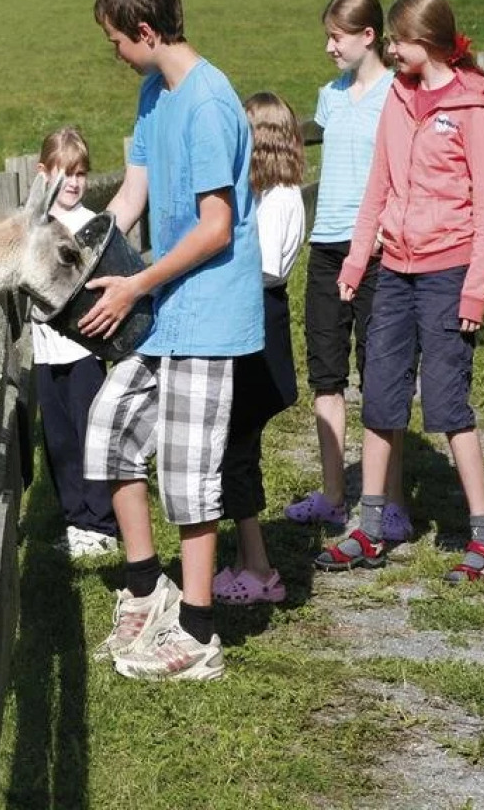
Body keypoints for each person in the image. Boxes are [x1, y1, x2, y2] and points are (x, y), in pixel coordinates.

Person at [80, 0, 264, 680]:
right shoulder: (156, 95)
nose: (116, 57)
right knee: (111, 428)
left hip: (209, 311)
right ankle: (143, 587)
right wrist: (77, 249)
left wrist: (135, 285)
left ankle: (196, 634)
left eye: (117, 43)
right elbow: (132, 196)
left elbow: (216, 227)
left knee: (188, 474)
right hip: (166, 305)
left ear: (146, 31)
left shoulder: (212, 103)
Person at [315, 0, 484, 582]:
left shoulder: (471, 107)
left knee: (449, 405)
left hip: (448, 273)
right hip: (393, 269)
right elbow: (379, 187)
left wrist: (475, 288)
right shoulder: (399, 98)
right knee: (379, 398)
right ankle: (369, 530)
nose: (392, 49)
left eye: (398, 40)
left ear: (425, 42)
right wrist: (354, 261)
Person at [284, 0, 412, 545]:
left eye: (336, 37)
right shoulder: (330, 97)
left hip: (380, 253)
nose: (329, 47)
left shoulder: (397, 96)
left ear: (367, 36)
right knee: (327, 376)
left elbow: (407, 173)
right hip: (327, 248)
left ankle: (392, 503)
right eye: (326, 37)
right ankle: (335, 497)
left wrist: (387, 229)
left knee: (382, 379)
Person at [213, 93, 304, 605]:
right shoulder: (267, 196)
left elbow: (267, 267)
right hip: (255, 327)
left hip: (260, 331)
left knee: (239, 453)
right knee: (237, 452)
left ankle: (261, 570)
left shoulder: (283, 200)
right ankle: (252, 563)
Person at [31, 127, 119, 558]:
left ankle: (101, 522)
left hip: (84, 349)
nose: (74, 182)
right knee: (60, 437)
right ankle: (73, 518)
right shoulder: (35, 227)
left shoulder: (90, 227)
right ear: (43, 173)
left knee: (91, 433)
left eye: (81, 173)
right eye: (65, 173)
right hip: (46, 350)